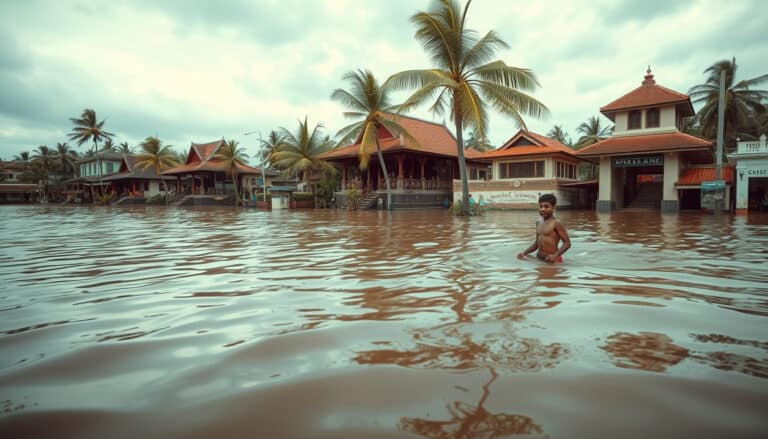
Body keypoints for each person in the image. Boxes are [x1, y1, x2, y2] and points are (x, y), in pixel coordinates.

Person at [517, 193, 571, 263]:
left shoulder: (556, 223)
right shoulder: (538, 222)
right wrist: (524, 253)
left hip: (552, 259)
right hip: (539, 257)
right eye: (541, 206)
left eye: (546, 207)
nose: (542, 209)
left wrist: (555, 256)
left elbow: (567, 243)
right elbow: (536, 244)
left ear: (553, 207)